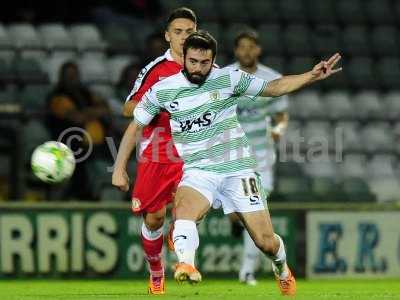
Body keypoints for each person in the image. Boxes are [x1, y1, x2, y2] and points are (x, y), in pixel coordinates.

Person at [112, 31, 341, 297]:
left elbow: (274, 87)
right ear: (184, 58)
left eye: (204, 62)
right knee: (184, 211)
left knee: (265, 242)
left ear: (213, 60)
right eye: (193, 61)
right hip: (199, 170)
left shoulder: (229, 79)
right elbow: (135, 126)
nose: (198, 68)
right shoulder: (162, 91)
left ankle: (282, 268)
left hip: (237, 169)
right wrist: (119, 168)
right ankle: (186, 263)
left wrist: (311, 75)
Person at [121, 7, 197, 295]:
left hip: (193, 153)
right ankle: (156, 270)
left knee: (188, 210)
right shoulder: (155, 70)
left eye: (189, 32)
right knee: (153, 219)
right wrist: (159, 105)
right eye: (177, 32)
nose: (183, 37)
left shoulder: (207, 67)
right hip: (159, 153)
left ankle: (182, 248)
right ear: (167, 36)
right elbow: (128, 107)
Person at [226, 30, 289, 285]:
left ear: (258, 50)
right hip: (231, 154)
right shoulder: (225, 77)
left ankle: (247, 271)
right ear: (236, 51)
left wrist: (277, 131)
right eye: (242, 47)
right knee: (239, 215)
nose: (247, 52)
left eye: (251, 47)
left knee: (257, 210)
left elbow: (282, 117)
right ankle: (235, 221)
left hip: (262, 157)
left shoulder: (271, 79)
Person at [45, 61, 112, 200]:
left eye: (74, 75)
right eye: (68, 76)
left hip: (98, 144)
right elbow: (76, 117)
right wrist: (93, 112)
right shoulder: (57, 96)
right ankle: (77, 196)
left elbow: (106, 109)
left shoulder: (86, 93)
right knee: (80, 175)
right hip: (71, 144)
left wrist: (87, 112)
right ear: (61, 77)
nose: (72, 79)